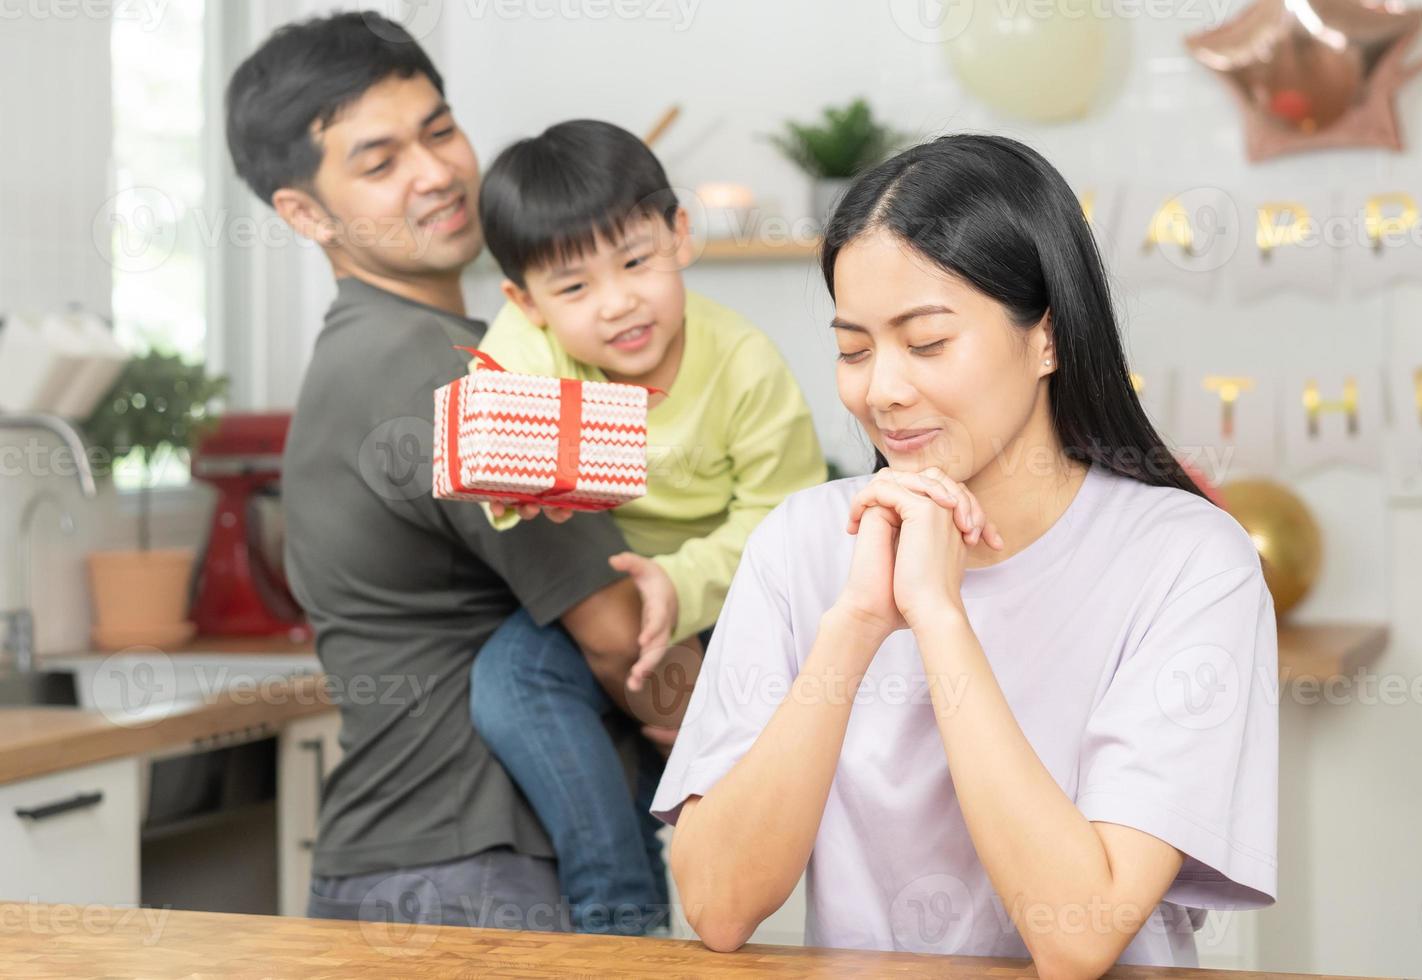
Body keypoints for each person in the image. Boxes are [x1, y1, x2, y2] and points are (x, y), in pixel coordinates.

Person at [652, 134, 1278, 972]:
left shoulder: (1190, 562)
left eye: (928, 342)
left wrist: (940, 617)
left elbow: (1078, 934)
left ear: (1046, 338)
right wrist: (857, 624)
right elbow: (718, 907)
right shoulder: (803, 545)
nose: (882, 390)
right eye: (853, 349)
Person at [225, 12, 655, 930]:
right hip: (479, 875)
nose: (437, 173)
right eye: (379, 163)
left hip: (391, 868)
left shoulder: (366, 351)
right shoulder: (450, 370)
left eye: (441, 130)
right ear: (304, 213)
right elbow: (623, 636)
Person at [466, 119, 828, 934]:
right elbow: (496, 429)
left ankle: (648, 894)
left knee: (708, 783)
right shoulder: (529, 345)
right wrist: (515, 486)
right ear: (525, 302)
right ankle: (621, 911)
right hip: (604, 601)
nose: (618, 301)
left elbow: (787, 522)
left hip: (729, 608)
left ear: (680, 235)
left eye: (635, 261)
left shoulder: (743, 362)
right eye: (574, 288)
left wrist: (684, 583)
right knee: (510, 681)